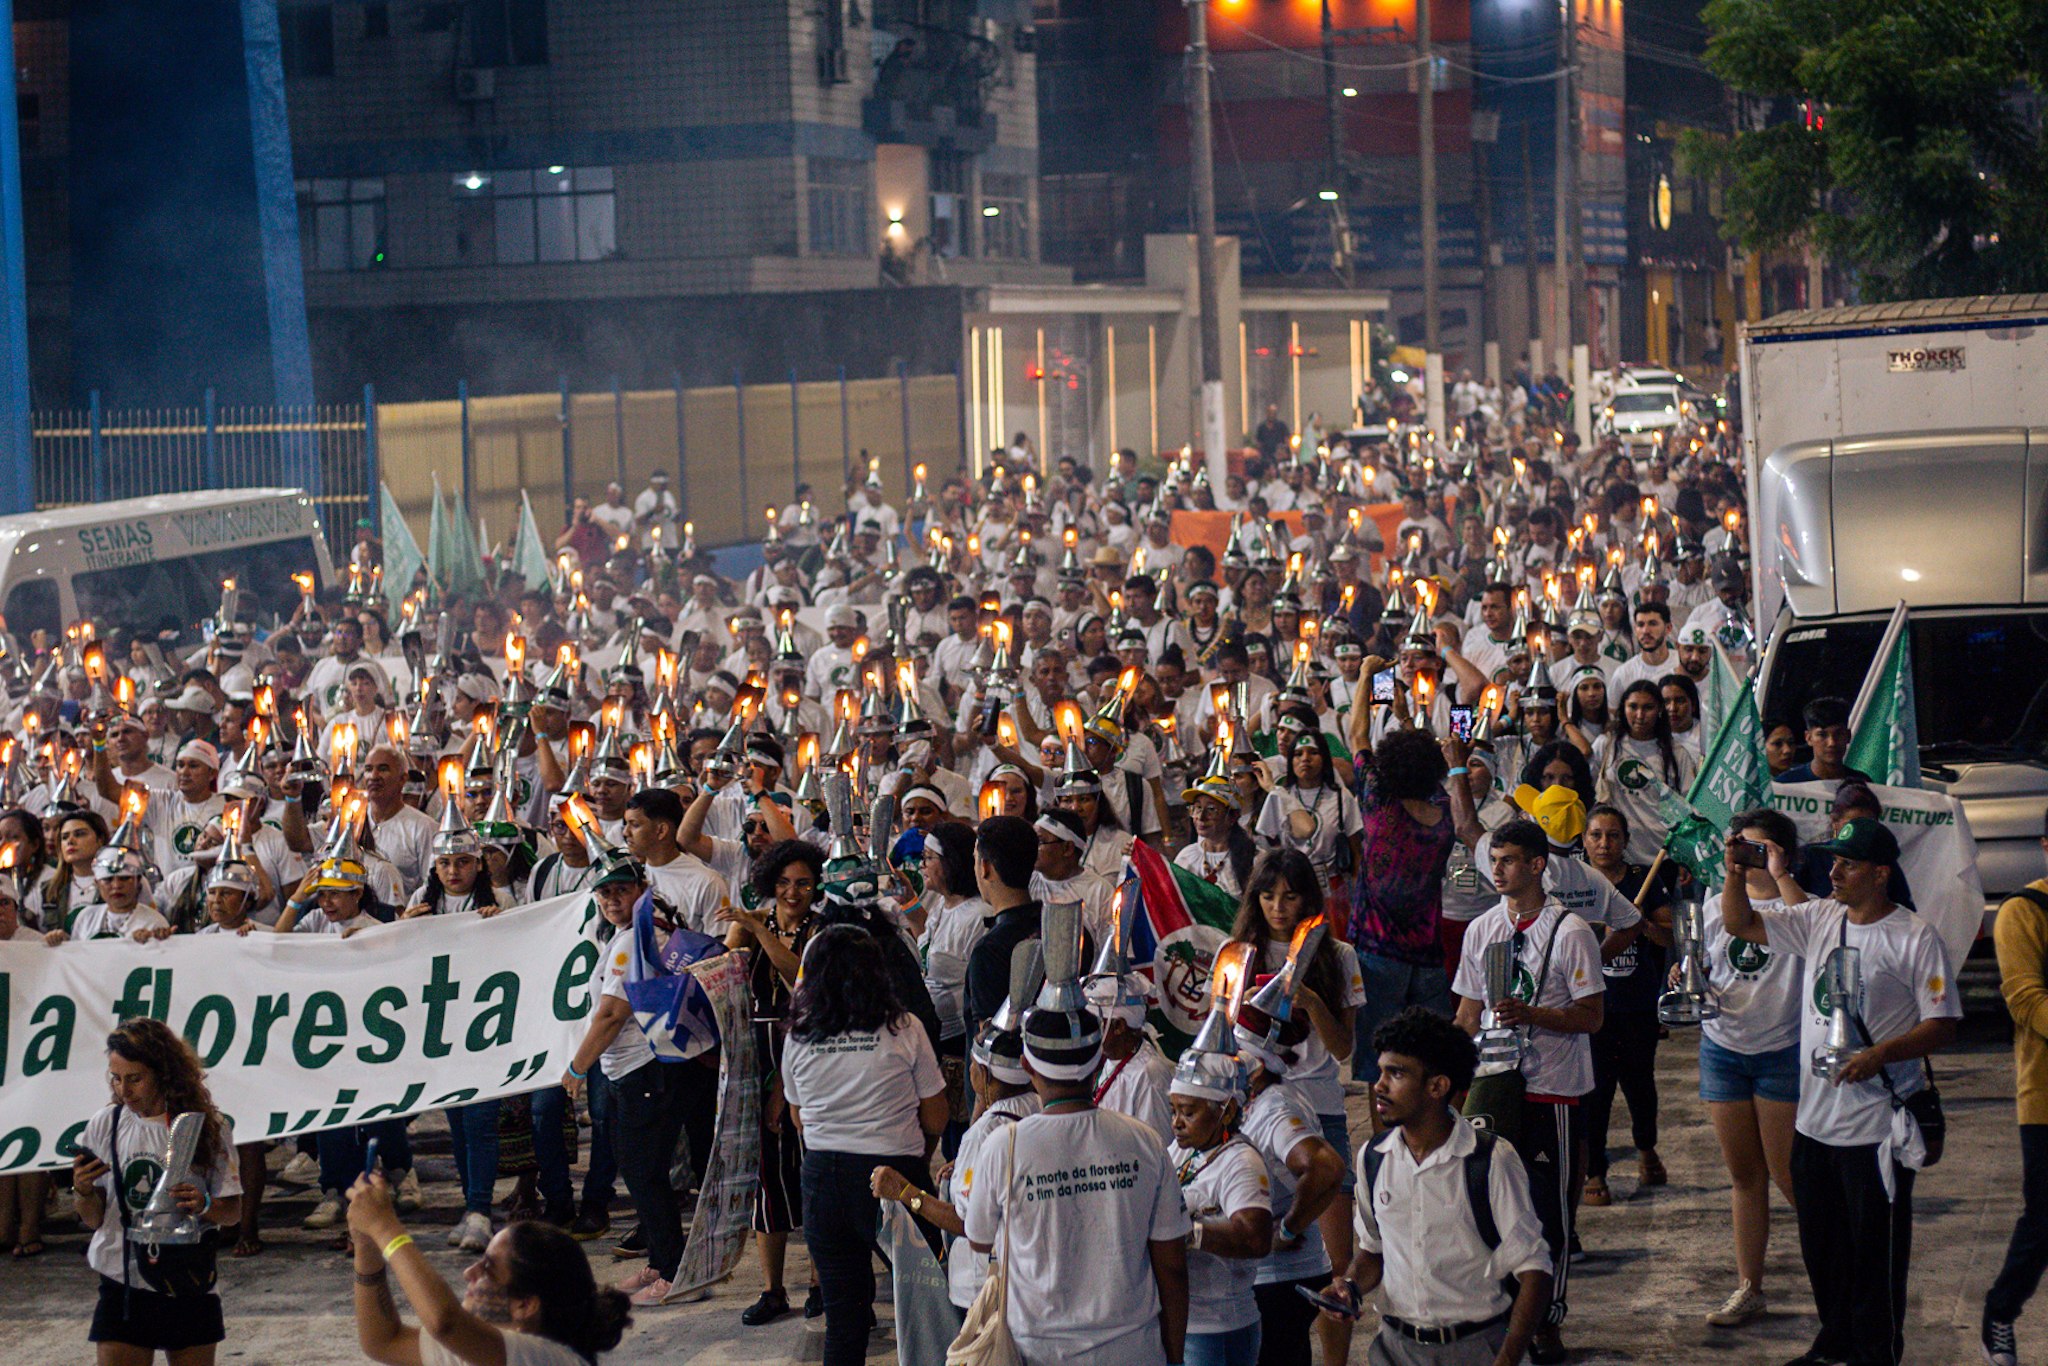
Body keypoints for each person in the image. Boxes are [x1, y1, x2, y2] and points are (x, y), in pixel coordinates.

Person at [1716, 817, 1960, 1366]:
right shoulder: (1819, 917)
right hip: (1814, 1124)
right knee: (1822, 1250)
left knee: (1876, 1257)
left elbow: (1942, 1024)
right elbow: (1740, 924)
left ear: (1880, 873)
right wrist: (1734, 872)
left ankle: (1876, 1353)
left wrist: (1879, 1054)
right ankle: (1835, 1344)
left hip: (1875, 1132)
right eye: (1833, 861)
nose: (1834, 872)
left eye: (1847, 864)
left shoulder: (1915, 936)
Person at [962, 979, 1191, 1366]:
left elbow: (980, 1241)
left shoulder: (1004, 1146)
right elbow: (1171, 1264)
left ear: (1027, 1064)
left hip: (1041, 1352)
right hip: (1133, 1350)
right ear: (1099, 1060)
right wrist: (1173, 1355)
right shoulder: (1146, 1143)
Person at [1450, 819, 1605, 1364]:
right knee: (1488, 1209)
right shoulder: (1481, 929)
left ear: (1538, 865)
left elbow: (1592, 1017)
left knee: (1549, 1212)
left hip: (1552, 1091)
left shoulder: (1571, 931)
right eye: (1494, 860)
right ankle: (1502, 1310)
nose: (1498, 869)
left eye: (1510, 859)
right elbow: (1468, 1012)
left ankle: (1547, 1319)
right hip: (1494, 1088)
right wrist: (1442, 1069)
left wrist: (1531, 1013)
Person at [1323, 1007, 1553, 1366]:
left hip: (1477, 1348)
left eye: (1396, 1073)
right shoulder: (1374, 1158)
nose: (1379, 1086)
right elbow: (1373, 1252)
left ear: (1437, 1086)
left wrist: (1508, 1357)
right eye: (1381, 1072)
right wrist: (1349, 1288)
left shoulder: (1489, 1160)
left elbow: (1535, 1269)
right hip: (1394, 1349)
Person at [781, 922, 949, 1366]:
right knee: (932, 1304)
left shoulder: (798, 1035)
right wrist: (920, 1150)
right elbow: (937, 1114)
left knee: (845, 1320)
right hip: (897, 1179)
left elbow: (798, 1117)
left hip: (823, 1181)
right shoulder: (905, 1028)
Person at [559, 849, 704, 1308]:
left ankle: (676, 1272)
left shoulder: (631, 941)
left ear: (640, 889)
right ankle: (662, 1262)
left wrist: (576, 1067)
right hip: (639, 1071)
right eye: (604, 891)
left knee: (645, 1173)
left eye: (621, 889)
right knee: (641, 1171)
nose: (611, 898)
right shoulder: (635, 932)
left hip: (645, 1071)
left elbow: (611, 1013)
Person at [73, 1018, 243, 1365]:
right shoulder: (106, 1124)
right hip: (123, 1282)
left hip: (187, 1280)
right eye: (116, 1079)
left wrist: (204, 1204)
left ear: (164, 1073)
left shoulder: (206, 1127)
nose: (124, 1091)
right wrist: (83, 1191)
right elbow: (93, 1220)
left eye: (135, 1078)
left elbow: (233, 1211)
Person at [1695, 807, 1806, 1330]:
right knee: (1744, 1175)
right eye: (1738, 846)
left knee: (1790, 1175)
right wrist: (1685, 970)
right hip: (1722, 1048)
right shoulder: (1715, 905)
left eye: (1756, 848)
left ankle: (1842, 1267)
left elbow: (1816, 932)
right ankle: (1749, 1287)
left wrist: (1780, 874)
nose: (1743, 856)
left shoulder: (1798, 906)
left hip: (1780, 1050)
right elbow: (1709, 958)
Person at [347, 1177, 633, 1366]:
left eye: (488, 1269)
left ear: (525, 1304)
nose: (469, 1273)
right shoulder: (485, 1347)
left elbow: (444, 1322)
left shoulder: (550, 1359)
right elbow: (384, 1341)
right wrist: (366, 1247)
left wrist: (385, 1228)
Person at [720, 839, 827, 1326]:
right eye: (783, 882)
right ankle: (772, 1288)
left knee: (813, 1175)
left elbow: (799, 977)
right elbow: (722, 976)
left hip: (805, 1058)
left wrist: (759, 930)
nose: (792, 891)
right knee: (768, 1180)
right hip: (756, 1060)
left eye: (803, 882)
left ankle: (821, 1281)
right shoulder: (755, 923)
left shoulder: (821, 930)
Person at [1578, 804, 1674, 1207]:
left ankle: (1646, 1147)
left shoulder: (1644, 880)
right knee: (1595, 1092)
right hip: (1591, 1007)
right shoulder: (1573, 882)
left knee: (1639, 1086)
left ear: (1626, 841)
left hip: (1636, 1004)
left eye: (1613, 835)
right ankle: (1595, 1170)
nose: (1604, 843)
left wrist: (1641, 923)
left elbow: (1668, 939)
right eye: (1596, 835)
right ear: (1583, 840)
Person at [1350, 730, 1458, 1078]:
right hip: (1428, 956)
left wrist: (1366, 674)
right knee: (1432, 1061)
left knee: (1378, 1065)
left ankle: (1385, 1135)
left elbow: (1357, 735)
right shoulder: (1444, 816)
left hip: (1377, 957)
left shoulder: (1378, 803)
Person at [1168, 1029, 1273, 1366]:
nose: (1177, 1123)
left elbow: (1255, 1238)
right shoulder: (1184, 1151)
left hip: (1218, 1328)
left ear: (1225, 1112)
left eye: (1188, 1112)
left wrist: (1189, 1232)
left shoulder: (1240, 1162)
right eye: (1174, 1111)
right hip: (1187, 1322)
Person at [1985, 803, 2048, 1365]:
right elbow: (2026, 1001)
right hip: (2046, 1099)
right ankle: (2001, 1311)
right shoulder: (2025, 911)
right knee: (2044, 1221)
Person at [1774, 696, 1869, 785]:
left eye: (1839, 734)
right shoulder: (1786, 784)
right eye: (1822, 735)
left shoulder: (1863, 784)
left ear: (1848, 736)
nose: (1832, 743)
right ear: (1808, 738)